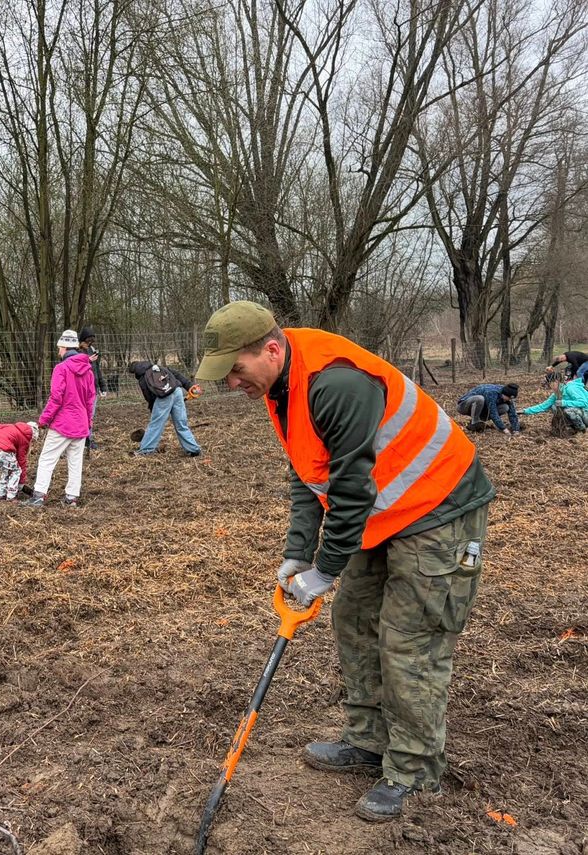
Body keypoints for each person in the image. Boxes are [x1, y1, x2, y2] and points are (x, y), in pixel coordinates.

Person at [195, 301, 495, 822]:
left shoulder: (335, 384)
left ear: (270, 350)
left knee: (410, 641)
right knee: (353, 618)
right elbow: (310, 472)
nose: (231, 384)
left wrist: (325, 569)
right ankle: (369, 741)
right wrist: (297, 553)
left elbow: (352, 489)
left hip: (438, 508)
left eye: (235, 371)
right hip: (384, 512)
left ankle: (414, 770)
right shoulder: (281, 385)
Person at [21, 330, 95, 508]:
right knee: (75, 462)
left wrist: (43, 420)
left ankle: (38, 495)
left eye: (59, 348)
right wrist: (89, 423)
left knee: (47, 458)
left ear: (63, 347)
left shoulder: (61, 369)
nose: (58, 352)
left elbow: (56, 397)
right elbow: (90, 400)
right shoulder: (88, 371)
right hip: (81, 423)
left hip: (63, 424)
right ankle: (71, 498)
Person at [128, 361, 202, 457]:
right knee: (181, 423)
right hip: (177, 391)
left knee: (155, 424)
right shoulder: (159, 367)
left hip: (163, 397)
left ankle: (146, 450)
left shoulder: (143, 378)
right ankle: (194, 449)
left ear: (135, 372)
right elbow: (176, 375)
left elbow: (149, 397)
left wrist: (153, 409)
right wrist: (189, 386)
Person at [78, 327, 108, 451]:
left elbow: (97, 370)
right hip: (82, 389)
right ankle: (79, 439)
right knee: (80, 415)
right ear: (82, 340)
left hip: (93, 389)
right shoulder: (77, 352)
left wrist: (102, 386)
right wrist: (87, 361)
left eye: (91, 341)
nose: (89, 343)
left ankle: (88, 439)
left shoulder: (91, 350)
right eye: (88, 341)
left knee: (90, 416)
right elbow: (77, 369)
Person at [520, 379, 588, 432]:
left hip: (586, 413)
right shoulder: (555, 395)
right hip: (579, 414)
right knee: (554, 406)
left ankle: (581, 430)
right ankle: (571, 427)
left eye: (551, 384)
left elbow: (583, 403)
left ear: (557, 382)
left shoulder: (571, 388)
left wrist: (564, 403)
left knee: (568, 410)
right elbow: (543, 406)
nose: (551, 387)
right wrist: (524, 411)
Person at [456, 383, 520, 435]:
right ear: (504, 394)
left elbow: (513, 413)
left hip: (481, 409)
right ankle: (474, 423)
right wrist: (503, 429)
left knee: (505, 407)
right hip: (463, 406)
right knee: (480, 399)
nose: (509, 400)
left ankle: (481, 420)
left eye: (511, 399)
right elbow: (493, 412)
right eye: (508, 398)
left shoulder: (507, 395)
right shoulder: (491, 392)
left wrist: (516, 430)